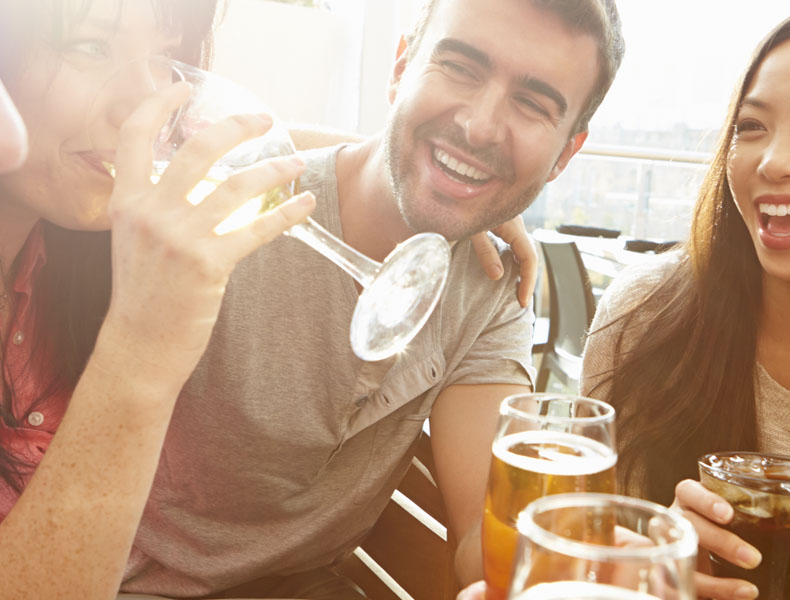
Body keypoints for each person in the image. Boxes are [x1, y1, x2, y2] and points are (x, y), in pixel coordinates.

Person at [0, 1, 622, 599]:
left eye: (533, 104)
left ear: (569, 151)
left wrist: (587, 563)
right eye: (459, 66)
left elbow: (483, 538)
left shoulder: (488, 285)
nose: (480, 126)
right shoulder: (178, 218)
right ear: (401, 68)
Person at [0, 1, 317, 598]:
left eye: (166, 58)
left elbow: (232, 150)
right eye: (91, 46)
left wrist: (423, 176)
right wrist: (142, 352)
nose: (146, 108)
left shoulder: (60, 252)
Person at [581, 12, 790, 600]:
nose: (774, 161)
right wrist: (646, 564)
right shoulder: (646, 318)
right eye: (751, 125)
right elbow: (587, 562)